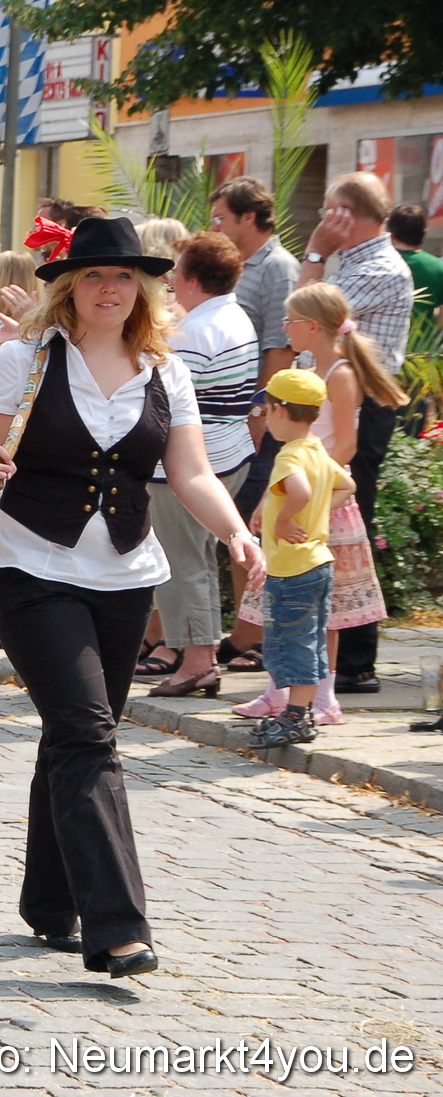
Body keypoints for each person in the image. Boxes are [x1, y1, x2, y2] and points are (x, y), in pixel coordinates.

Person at [0, 216, 262, 978]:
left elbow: (189, 473)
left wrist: (236, 533)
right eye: (95, 275)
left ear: (145, 290)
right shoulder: (22, 362)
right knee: (90, 735)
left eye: (125, 277)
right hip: (32, 566)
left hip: (127, 576)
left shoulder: (167, 371)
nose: (110, 288)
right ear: (67, 286)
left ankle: (49, 900)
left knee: (72, 734)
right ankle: (118, 927)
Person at [234, 283, 404, 727]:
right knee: (281, 598)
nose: (285, 328)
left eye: (290, 321)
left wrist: (306, 482)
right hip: (299, 492)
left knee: (323, 609)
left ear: (312, 326)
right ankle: (280, 689)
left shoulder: (341, 376)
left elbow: (345, 445)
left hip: (324, 502)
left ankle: (323, 695)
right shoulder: (306, 371)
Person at [300, 173, 414, 695]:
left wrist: (316, 252)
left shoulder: (379, 266)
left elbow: (306, 314)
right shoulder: (364, 262)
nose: (325, 221)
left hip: (360, 409)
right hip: (346, 401)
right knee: (336, 527)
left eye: (330, 211)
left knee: (349, 525)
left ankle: (355, 660)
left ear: (347, 212)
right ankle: (338, 655)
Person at [139, 232, 259, 694]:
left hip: (190, 463)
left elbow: (163, 398)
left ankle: (197, 660)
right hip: (229, 452)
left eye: (174, 273)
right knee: (199, 559)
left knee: (183, 561)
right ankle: (199, 653)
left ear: (189, 278)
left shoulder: (194, 332)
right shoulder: (235, 317)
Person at [208, 177, 300, 671]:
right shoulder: (243, 267)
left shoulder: (278, 267)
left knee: (248, 524)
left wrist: (260, 413)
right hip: (237, 418)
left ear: (249, 217)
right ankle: (246, 632)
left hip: (261, 417)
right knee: (238, 527)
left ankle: (255, 638)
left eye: (222, 217)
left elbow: (280, 349)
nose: (215, 226)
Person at [243, 369, 355, 749]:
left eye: (266, 409)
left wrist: (288, 517)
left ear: (278, 410)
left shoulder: (289, 455)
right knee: (309, 638)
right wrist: (312, 513)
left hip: (293, 568)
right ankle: (301, 710)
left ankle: (297, 715)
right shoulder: (317, 450)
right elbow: (347, 485)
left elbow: (301, 491)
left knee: (292, 641)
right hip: (317, 563)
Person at [388, 202, 443, 330]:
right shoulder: (438, 269)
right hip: (422, 347)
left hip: (380, 346)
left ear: (391, 232)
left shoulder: (377, 264)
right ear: (423, 233)